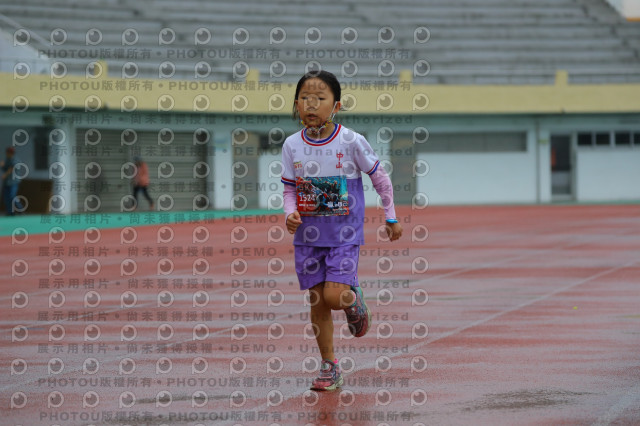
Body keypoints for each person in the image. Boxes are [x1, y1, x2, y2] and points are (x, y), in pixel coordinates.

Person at [281, 71, 403, 391]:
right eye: (305, 98)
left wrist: (390, 216)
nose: (312, 104)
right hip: (308, 237)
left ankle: (353, 298)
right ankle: (329, 365)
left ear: (336, 105)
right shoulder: (292, 145)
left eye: (320, 98)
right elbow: (289, 189)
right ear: (296, 104)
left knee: (335, 297)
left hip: (344, 235)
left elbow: (380, 178)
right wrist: (290, 213)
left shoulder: (351, 141)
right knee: (317, 302)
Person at [1, 147, 24, 215]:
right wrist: (2, 166)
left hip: (13, 182)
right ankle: (10, 212)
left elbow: (11, 168)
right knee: (6, 198)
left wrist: (5, 174)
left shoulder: (15, 159)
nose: (7, 153)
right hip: (6, 182)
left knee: (12, 196)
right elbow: (5, 169)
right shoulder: (7, 159)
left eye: (8, 152)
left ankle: (20, 209)